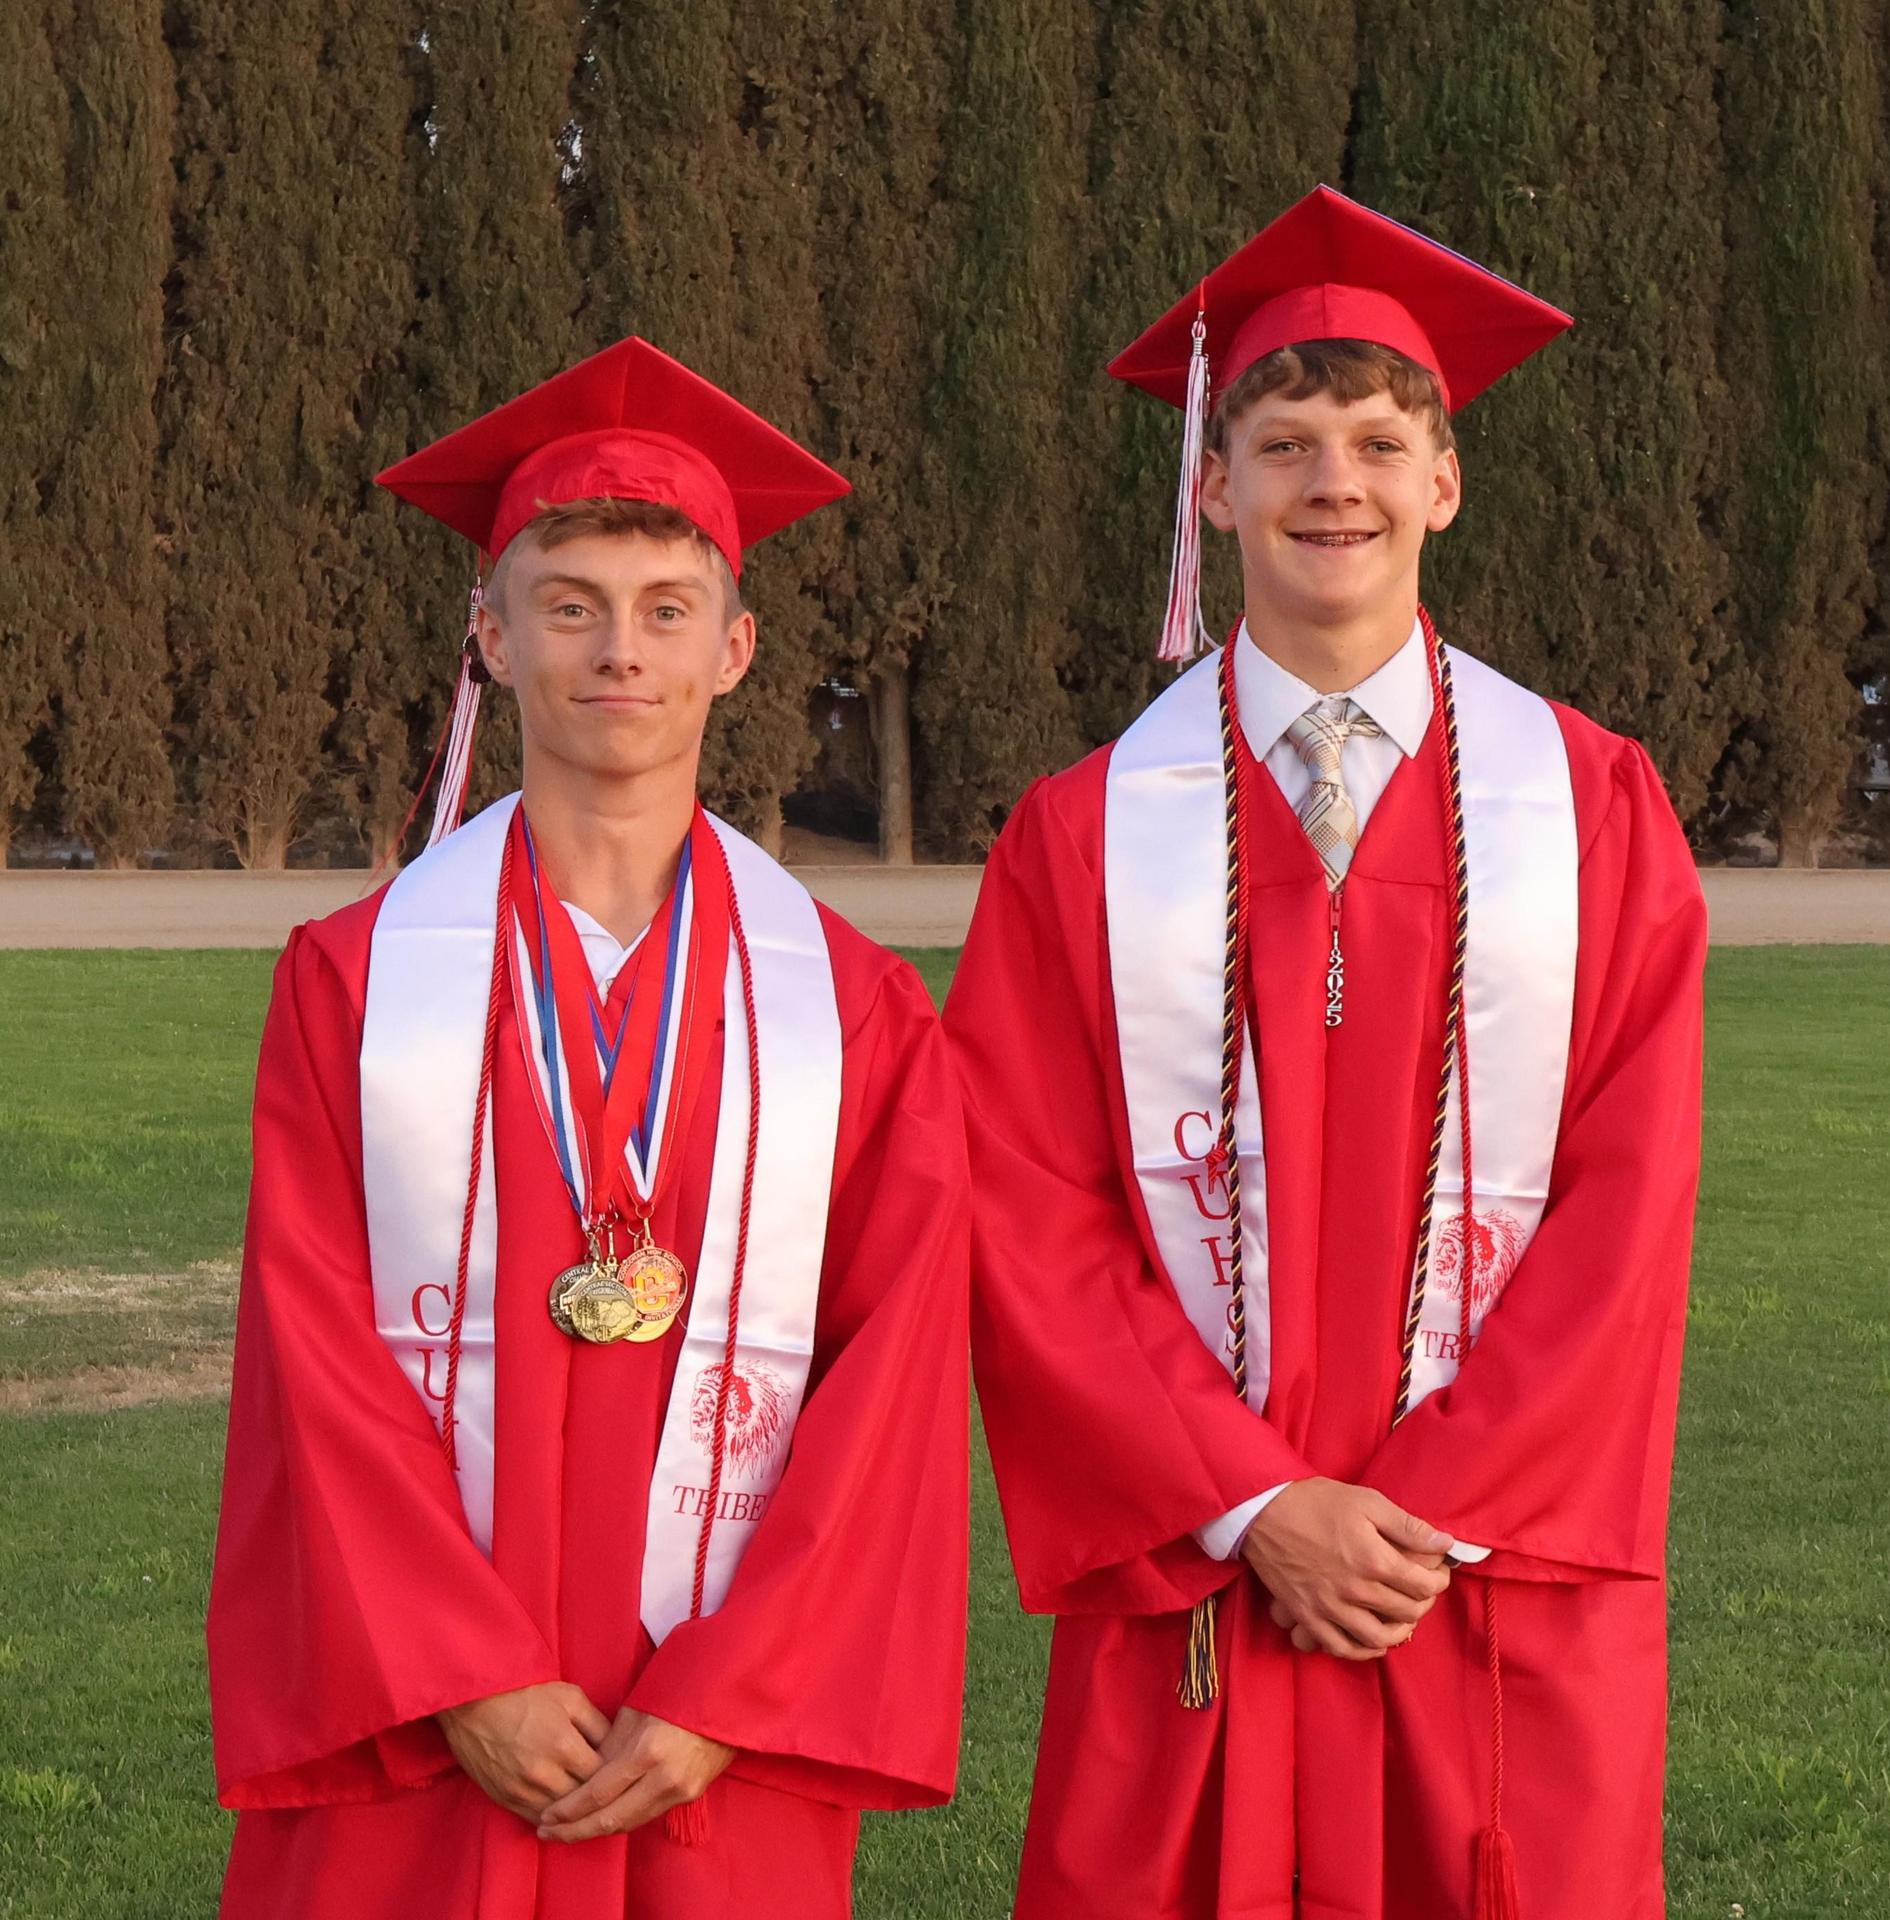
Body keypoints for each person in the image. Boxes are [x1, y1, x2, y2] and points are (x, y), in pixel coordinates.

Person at [946, 186, 1706, 1919]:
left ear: (1444, 478)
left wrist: (1426, 1505)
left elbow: (1630, 1201)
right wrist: (1248, 1502)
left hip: (1492, 1588)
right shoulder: (1081, 840)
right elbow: (1023, 1210)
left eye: (1376, 440)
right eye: (1283, 442)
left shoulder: (1592, 810)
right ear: (1212, 491)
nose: (1332, 483)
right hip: (1210, 1588)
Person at [207, 336, 971, 1920]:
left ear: (737, 649)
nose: (618, 652)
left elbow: (892, 1376)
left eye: (664, 611)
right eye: (570, 605)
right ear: (490, 636)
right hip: (427, 1731)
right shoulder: (353, 985)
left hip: (711, 1743)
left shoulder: (858, 1013)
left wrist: (732, 1691)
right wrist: (458, 1672)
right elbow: (314, 1356)